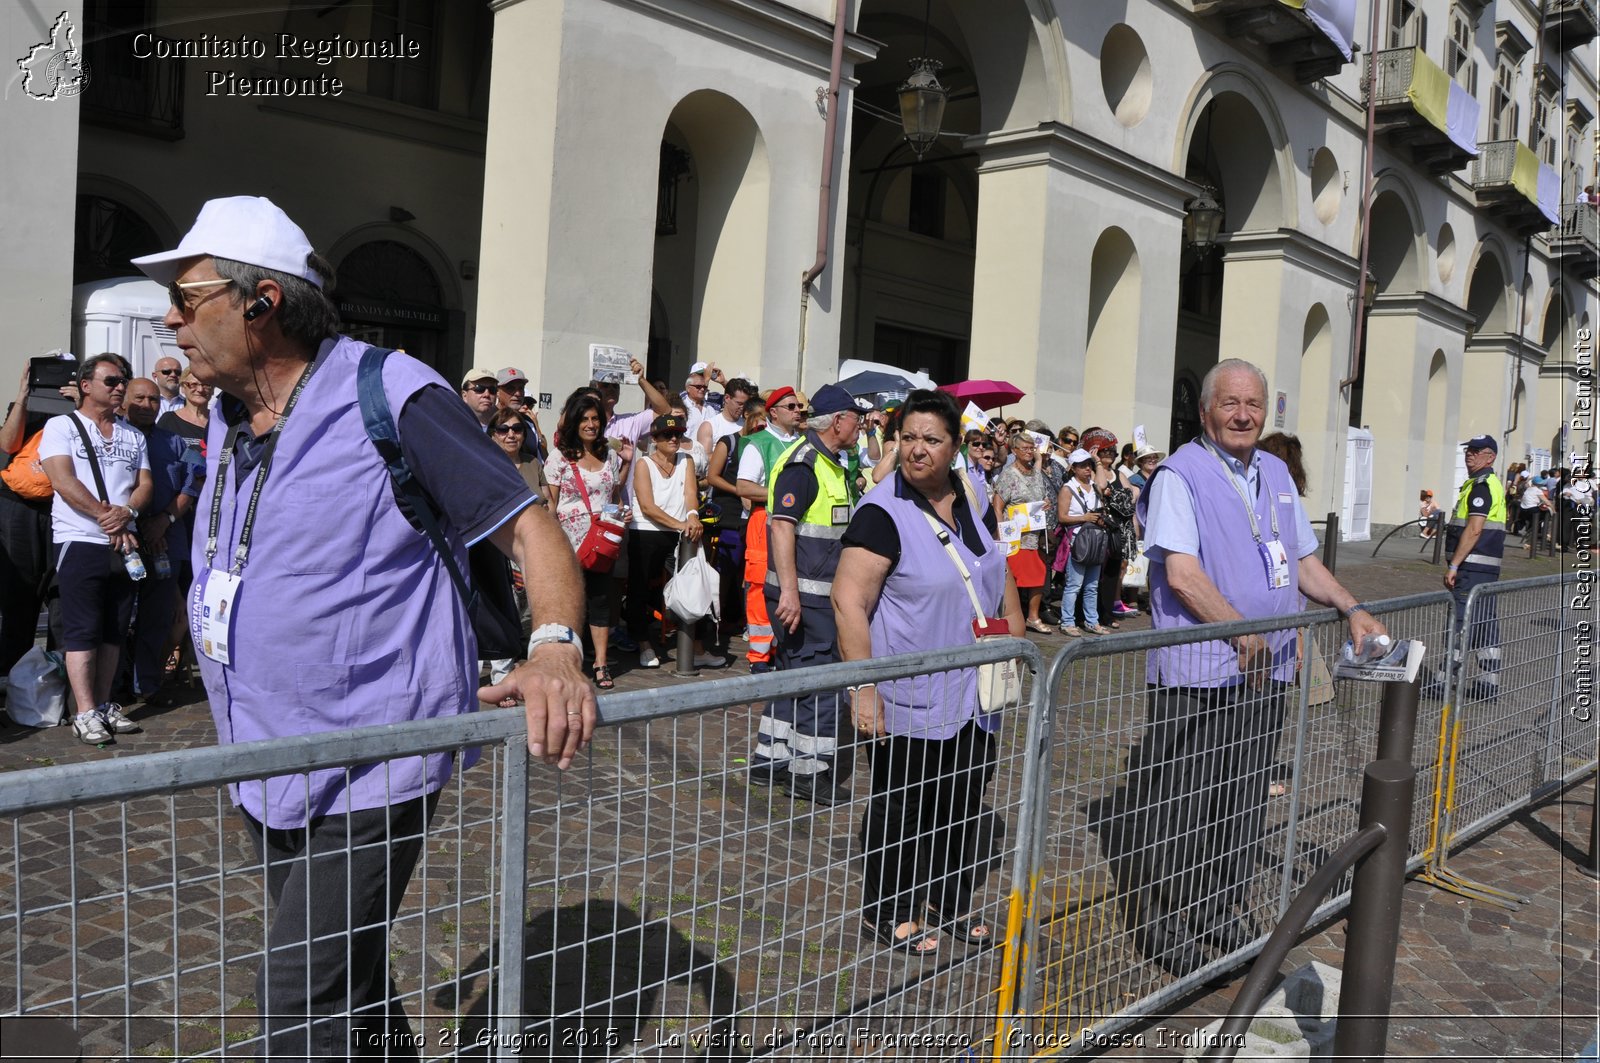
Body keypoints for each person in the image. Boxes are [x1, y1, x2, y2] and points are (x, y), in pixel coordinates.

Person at [131, 195, 594, 1057]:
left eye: (187, 298)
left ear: (260, 302)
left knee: (299, 993)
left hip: (375, 757)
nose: (170, 320)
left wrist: (556, 647)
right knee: (351, 973)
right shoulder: (231, 414)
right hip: (264, 752)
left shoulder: (395, 395)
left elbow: (530, 524)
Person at [1098, 357, 1386, 978]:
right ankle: (1166, 922)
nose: (1243, 414)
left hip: (1265, 670)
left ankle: (1219, 905)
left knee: (1242, 799)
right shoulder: (1181, 474)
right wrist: (1240, 628)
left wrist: (1351, 607)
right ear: (1205, 412)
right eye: (1229, 403)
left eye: (1253, 404)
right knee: (1183, 802)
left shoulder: (1276, 470)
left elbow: (1302, 560)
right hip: (1201, 670)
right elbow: (1181, 572)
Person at [833, 389, 1022, 954]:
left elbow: (995, 566)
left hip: (974, 694)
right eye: (907, 438)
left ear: (955, 446)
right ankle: (887, 910)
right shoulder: (881, 513)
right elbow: (848, 602)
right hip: (908, 695)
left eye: (931, 439)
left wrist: (1014, 631)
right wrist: (864, 686)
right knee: (904, 805)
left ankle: (948, 901)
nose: (917, 450)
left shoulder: (969, 497)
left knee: (964, 798)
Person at [752, 383, 870, 804]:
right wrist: (790, 593)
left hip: (809, 594)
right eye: (857, 419)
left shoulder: (829, 461)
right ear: (838, 421)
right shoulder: (804, 464)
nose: (862, 426)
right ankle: (808, 774)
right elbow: (782, 526)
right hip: (805, 596)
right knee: (820, 686)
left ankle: (771, 762)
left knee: (791, 678)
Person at [38, 353, 152, 745]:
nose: (120, 387)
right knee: (82, 632)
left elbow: (145, 483)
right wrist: (108, 517)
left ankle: (103, 705)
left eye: (123, 380)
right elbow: (62, 480)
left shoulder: (133, 435)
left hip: (125, 544)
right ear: (85, 385)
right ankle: (84, 712)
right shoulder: (61, 426)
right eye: (112, 381)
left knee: (113, 633)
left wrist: (129, 510)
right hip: (81, 540)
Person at [121, 377, 202, 702]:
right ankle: (116, 688)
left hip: (168, 541)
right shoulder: (114, 437)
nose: (147, 405)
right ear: (125, 399)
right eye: (139, 398)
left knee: (157, 618)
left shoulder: (175, 442)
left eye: (153, 400)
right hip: (123, 540)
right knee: (119, 618)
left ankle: (148, 686)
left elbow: (192, 485)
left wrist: (164, 521)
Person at [543, 389, 629, 689]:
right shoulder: (559, 458)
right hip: (570, 542)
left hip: (602, 541)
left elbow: (613, 497)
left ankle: (601, 663)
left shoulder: (611, 456)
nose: (591, 424)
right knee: (571, 604)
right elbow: (551, 504)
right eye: (584, 419)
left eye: (595, 419)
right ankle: (569, 661)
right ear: (574, 423)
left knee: (601, 601)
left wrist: (619, 515)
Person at [629, 413, 719, 670]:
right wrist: (682, 523)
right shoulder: (644, 463)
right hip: (646, 530)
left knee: (694, 584)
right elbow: (647, 506)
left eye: (678, 434)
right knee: (640, 588)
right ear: (654, 439)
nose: (673, 439)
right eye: (667, 435)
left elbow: (691, 494)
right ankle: (643, 642)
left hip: (678, 532)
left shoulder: (686, 460)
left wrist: (692, 517)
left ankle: (696, 646)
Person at [1427, 435, 1507, 702]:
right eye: (1468, 451)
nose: (1469, 455)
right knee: (1484, 625)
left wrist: (1453, 565)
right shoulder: (1487, 483)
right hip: (1486, 569)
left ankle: (1442, 682)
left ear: (1490, 456)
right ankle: (1488, 684)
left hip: (1472, 568)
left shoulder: (1482, 486)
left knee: (1460, 623)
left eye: (1476, 451)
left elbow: (1474, 530)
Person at [0, 366, 65, 680]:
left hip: (61, 509)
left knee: (60, 596)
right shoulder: (25, 406)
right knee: (20, 594)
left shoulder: (78, 410)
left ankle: (55, 678)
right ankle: (12, 678)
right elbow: (6, 445)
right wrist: (23, 395)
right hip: (18, 507)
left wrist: (82, 403)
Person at [736, 386, 806, 672]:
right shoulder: (759, 443)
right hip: (764, 520)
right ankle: (759, 656)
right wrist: (784, 495)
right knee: (759, 585)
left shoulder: (803, 442)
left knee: (788, 582)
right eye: (791, 406)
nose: (798, 411)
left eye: (799, 407)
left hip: (794, 522)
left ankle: (781, 647)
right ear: (773, 412)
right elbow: (744, 486)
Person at [993, 433, 1052, 633]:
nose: (1029, 452)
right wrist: (1001, 533)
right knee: (1016, 578)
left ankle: (1032, 617)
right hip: (1015, 535)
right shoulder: (1008, 475)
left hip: (1034, 534)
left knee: (1038, 575)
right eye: (1025, 448)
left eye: (1031, 448)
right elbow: (998, 506)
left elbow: (1042, 497)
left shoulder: (1036, 473)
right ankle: (1011, 616)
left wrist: (1045, 504)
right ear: (1015, 451)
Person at [1056, 448, 1109, 637]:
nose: (1087, 469)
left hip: (1095, 539)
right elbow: (1062, 517)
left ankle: (1092, 621)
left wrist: (1098, 462)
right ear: (1074, 468)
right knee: (1074, 585)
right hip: (1078, 540)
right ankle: (1067, 621)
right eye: (1083, 465)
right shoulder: (1067, 488)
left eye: (1089, 465)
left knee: (1092, 586)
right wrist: (1084, 517)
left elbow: (1103, 484)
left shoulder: (1094, 486)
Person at [156, 367, 213, 442]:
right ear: (183, 388)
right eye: (193, 384)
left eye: (206, 384)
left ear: (213, 390)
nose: (200, 389)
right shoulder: (169, 420)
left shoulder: (220, 421)